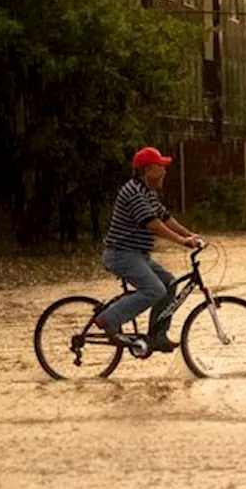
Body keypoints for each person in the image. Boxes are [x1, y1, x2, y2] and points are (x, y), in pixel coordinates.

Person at [91, 146, 202, 351]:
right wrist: (181, 241)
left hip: (138, 255)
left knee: (169, 283)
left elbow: (165, 217)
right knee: (155, 290)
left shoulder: (148, 193)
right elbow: (152, 223)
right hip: (121, 255)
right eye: (161, 167)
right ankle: (108, 319)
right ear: (148, 170)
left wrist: (189, 235)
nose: (165, 172)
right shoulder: (133, 191)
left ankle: (157, 336)